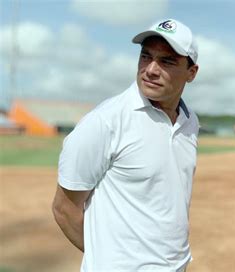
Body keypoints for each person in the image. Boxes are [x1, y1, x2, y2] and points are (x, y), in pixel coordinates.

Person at [52, 18, 199, 272]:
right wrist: (112, 261)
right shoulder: (104, 121)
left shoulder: (189, 122)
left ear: (191, 72)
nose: (151, 69)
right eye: (146, 56)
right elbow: (65, 209)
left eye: (167, 61)